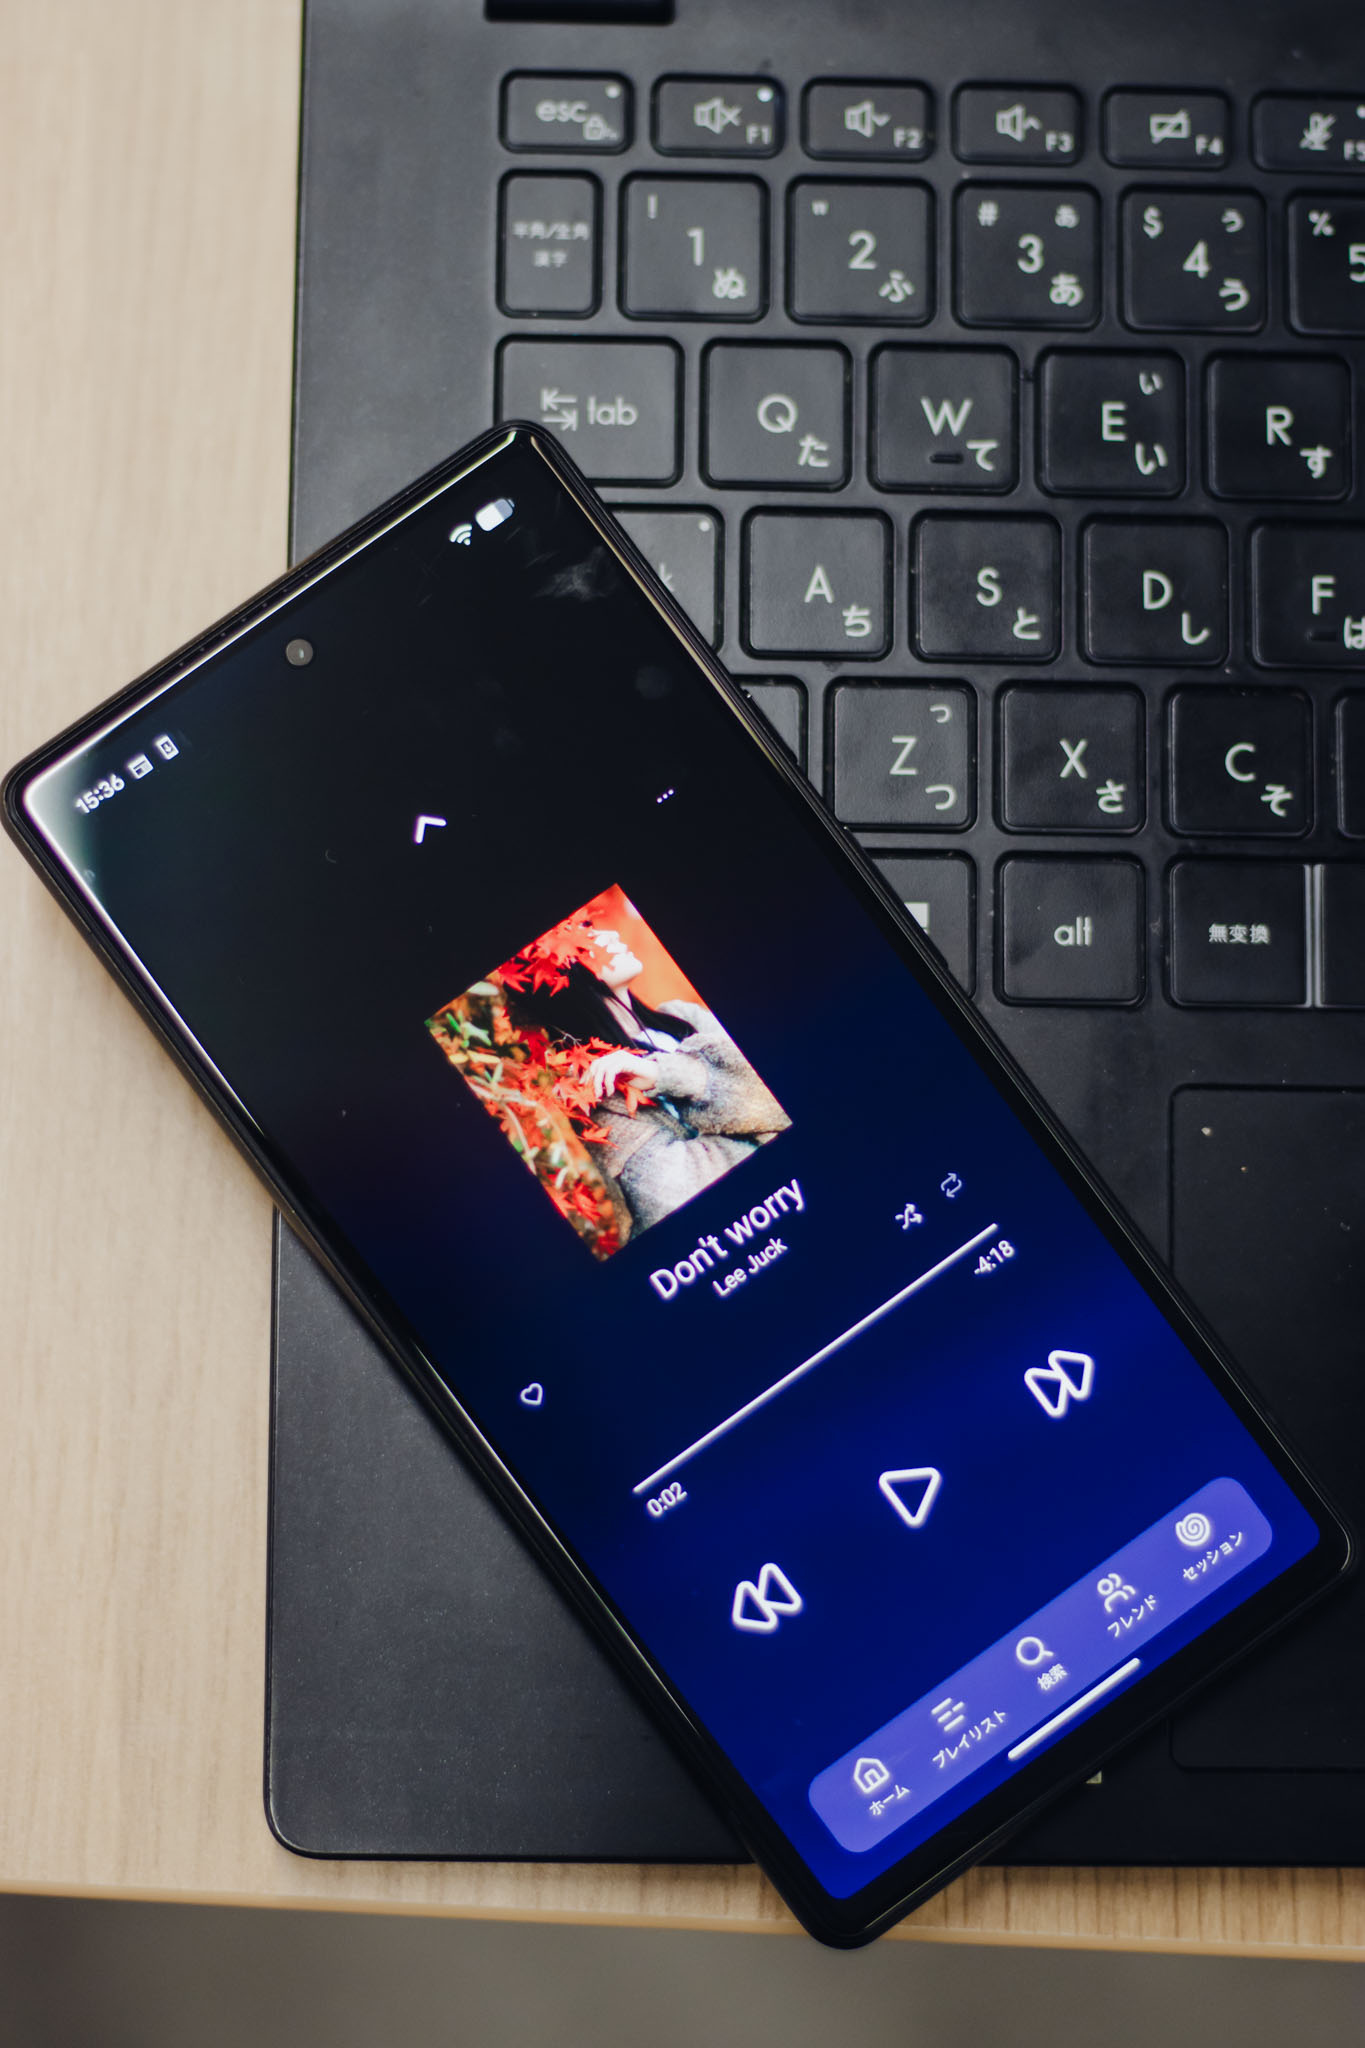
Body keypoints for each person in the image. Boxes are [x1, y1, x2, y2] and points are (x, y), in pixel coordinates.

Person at [505, 925, 789, 1237]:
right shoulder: (599, 1092)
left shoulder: (685, 1017)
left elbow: (786, 1086)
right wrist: (767, 1129)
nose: (612, 935)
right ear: (563, 974)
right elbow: (684, 1198)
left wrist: (668, 1075)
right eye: (589, 937)